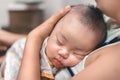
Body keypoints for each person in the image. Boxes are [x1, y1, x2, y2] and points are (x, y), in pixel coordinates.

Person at [17, 0, 120, 80]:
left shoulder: (115, 60)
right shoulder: (111, 23)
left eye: (77, 53)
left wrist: (34, 38)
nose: (63, 53)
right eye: (60, 41)